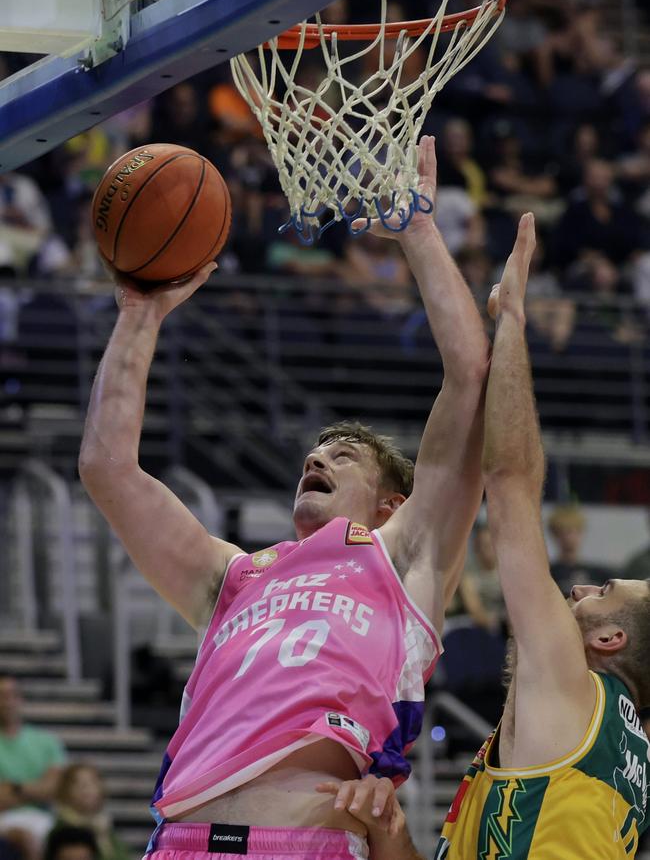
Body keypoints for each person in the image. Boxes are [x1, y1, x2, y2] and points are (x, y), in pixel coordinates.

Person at [78, 135, 490, 859]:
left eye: (344, 453)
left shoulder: (405, 557)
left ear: (393, 503)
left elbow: (470, 380)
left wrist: (419, 232)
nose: (316, 456)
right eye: (315, 450)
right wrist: (140, 316)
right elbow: (108, 468)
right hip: (181, 842)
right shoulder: (233, 578)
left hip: (302, 844)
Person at [435, 213, 650, 857]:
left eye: (604, 590)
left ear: (609, 640)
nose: (580, 586)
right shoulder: (624, 752)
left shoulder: (578, 688)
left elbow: (509, 482)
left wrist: (514, 321)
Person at [0, 676, 66, 857]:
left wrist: (13, 788)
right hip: (4, 820)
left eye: (12, 695)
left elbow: (54, 789)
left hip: (44, 819)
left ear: (21, 699)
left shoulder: (47, 742)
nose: (7, 702)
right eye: (2, 696)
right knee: (27, 838)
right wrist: (35, 791)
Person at [51, 764, 131, 860]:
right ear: (65, 790)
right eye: (78, 783)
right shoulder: (62, 830)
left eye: (92, 782)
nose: (86, 789)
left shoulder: (105, 828)